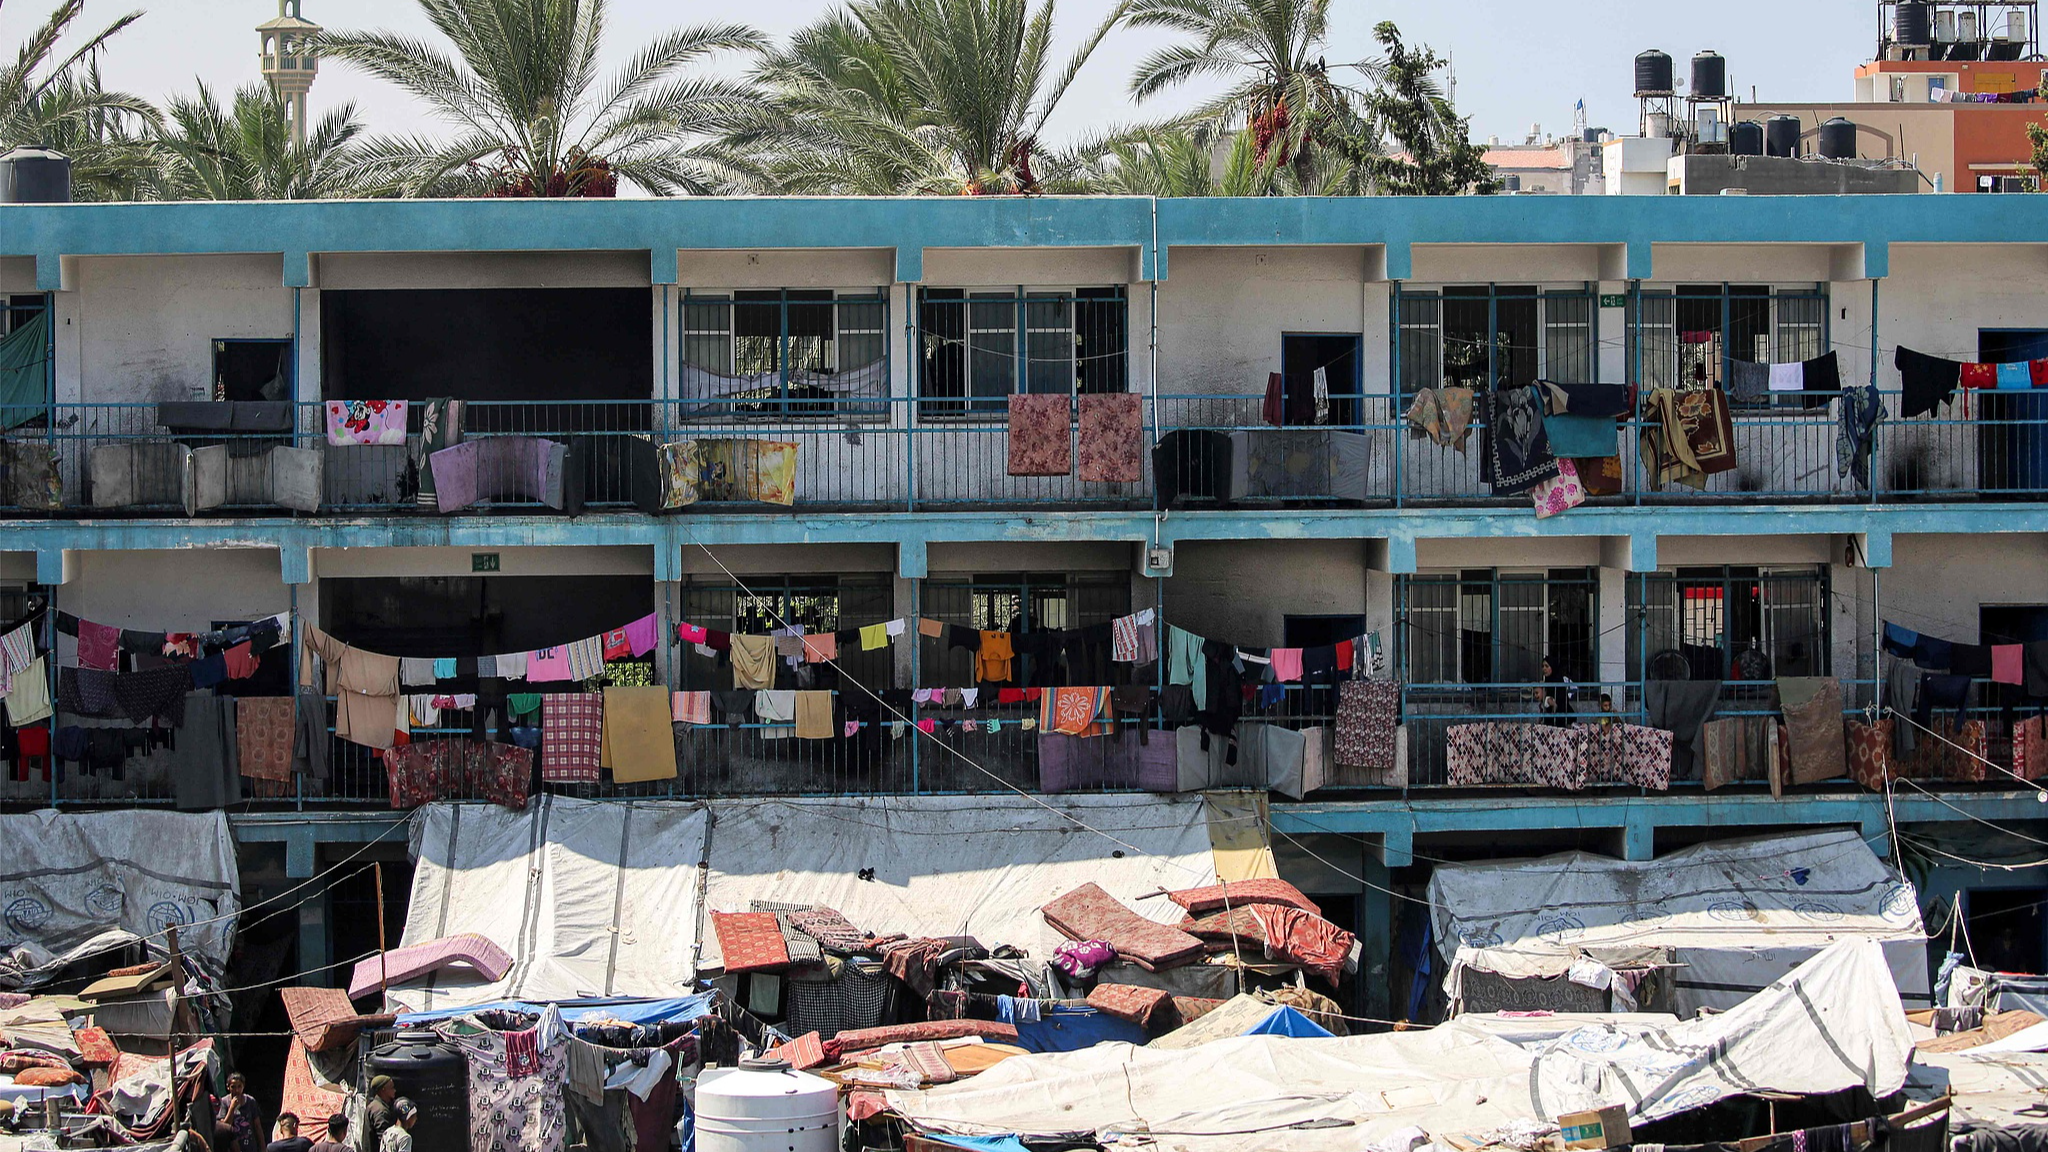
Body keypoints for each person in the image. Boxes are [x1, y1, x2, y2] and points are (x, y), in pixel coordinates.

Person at [212, 1072, 262, 1152]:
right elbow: (225, 1126)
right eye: (233, 1087)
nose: (237, 1090)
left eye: (239, 1086)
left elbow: (257, 1125)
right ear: (228, 1087)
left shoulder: (250, 1101)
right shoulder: (224, 1102)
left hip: (250, 1147)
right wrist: (232, 1108)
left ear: (243, 1086)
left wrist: (262, 1147)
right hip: (233, 1147)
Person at [1535, 657, 1576, 727]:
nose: (1544, 669)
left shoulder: (1558, 681)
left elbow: (1561, 701)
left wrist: (1553, 703)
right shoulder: (1546, 682)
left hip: (1563, 718)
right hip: (1551, 719)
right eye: (1543, 666)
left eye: (1547, 666)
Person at [364, 1076, 398, 1142]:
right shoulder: (381, 1111)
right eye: (391, 1088)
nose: (394, 1090)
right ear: (383, 1089)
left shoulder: (373, 1105)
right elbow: (384, 1140)